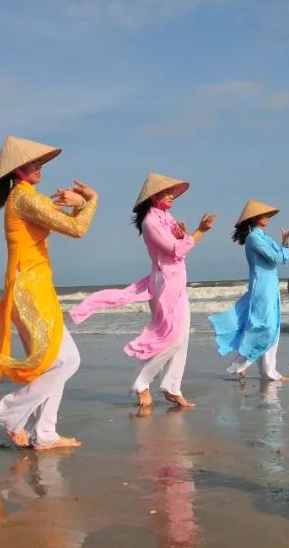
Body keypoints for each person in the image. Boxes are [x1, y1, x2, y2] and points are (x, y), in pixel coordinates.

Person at [0, 135, 98, 450]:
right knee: (65, 361)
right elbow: (77, 229)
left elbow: (68, 223)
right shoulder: (24, 198)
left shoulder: (28, 198)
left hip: (34, 288)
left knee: (58, 361)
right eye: (34, 162)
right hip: (29, 291)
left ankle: (45, 432)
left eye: (40, 162)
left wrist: (79, 206)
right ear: (17, 169)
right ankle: (8, 410)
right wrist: (92, 201)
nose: (40, 167)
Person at [70, 173, 216, 408]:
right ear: (152, 196)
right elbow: (176, 250)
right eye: (165, 192)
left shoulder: (167, 218)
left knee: (182, 338)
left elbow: (179, 245)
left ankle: (172, 387)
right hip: (165, 283)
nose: (171, 195)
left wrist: (184, 236)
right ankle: (141, 384)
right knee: (172, 339)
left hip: (178, 281)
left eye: (172, 192)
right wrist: (200, 231)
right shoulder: (150, 221)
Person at [209, 199, 289, 381]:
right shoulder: (254, 238)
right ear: (254, 217)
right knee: (266, 327)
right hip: (262, 287)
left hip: (270, 286)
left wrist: (285, 242)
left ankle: (267, 371)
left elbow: (279, 255)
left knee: (272, 329)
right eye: (264, 214)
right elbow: (277, 258)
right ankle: (241, 365)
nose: (267, 216)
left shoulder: (263, 237)